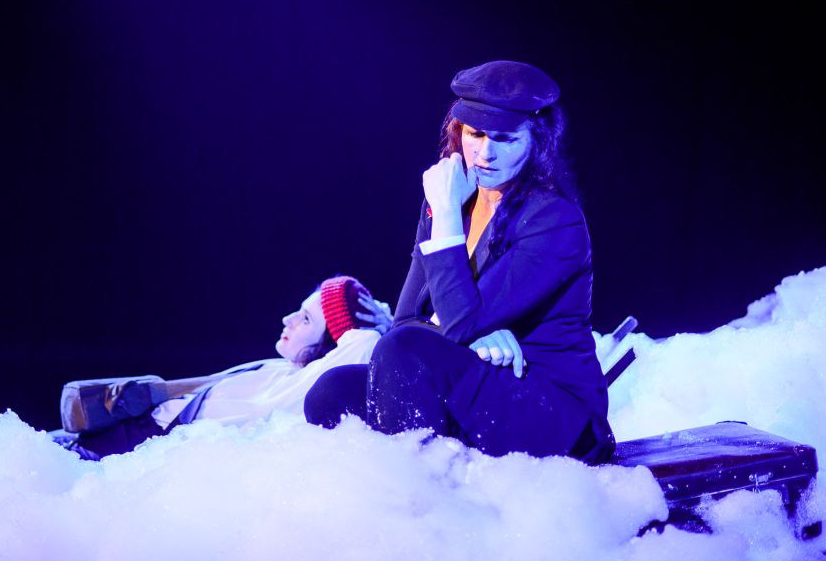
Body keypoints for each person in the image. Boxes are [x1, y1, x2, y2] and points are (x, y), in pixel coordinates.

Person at [304, 61, 614, 464]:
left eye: (505, 138)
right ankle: (402, 481)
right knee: (332, 392)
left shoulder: (554, 220)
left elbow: (457, 325)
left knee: (405, 351)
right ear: (459, 131)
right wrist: (473, 334)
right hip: (483, 384)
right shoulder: (448, 202)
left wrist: (447, 215)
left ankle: (418, 493)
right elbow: (406, 320)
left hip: (552, 411)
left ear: (537, 141)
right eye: (475, 134)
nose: (485, 153)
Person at [70, 275, 392, 459]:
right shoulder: (281, 371)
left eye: (306, 319)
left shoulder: (302, 387)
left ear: (334, 344)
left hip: (140, 447)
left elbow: (361, 345)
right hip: (133, 434)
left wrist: (380, 327)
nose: (288, 320)